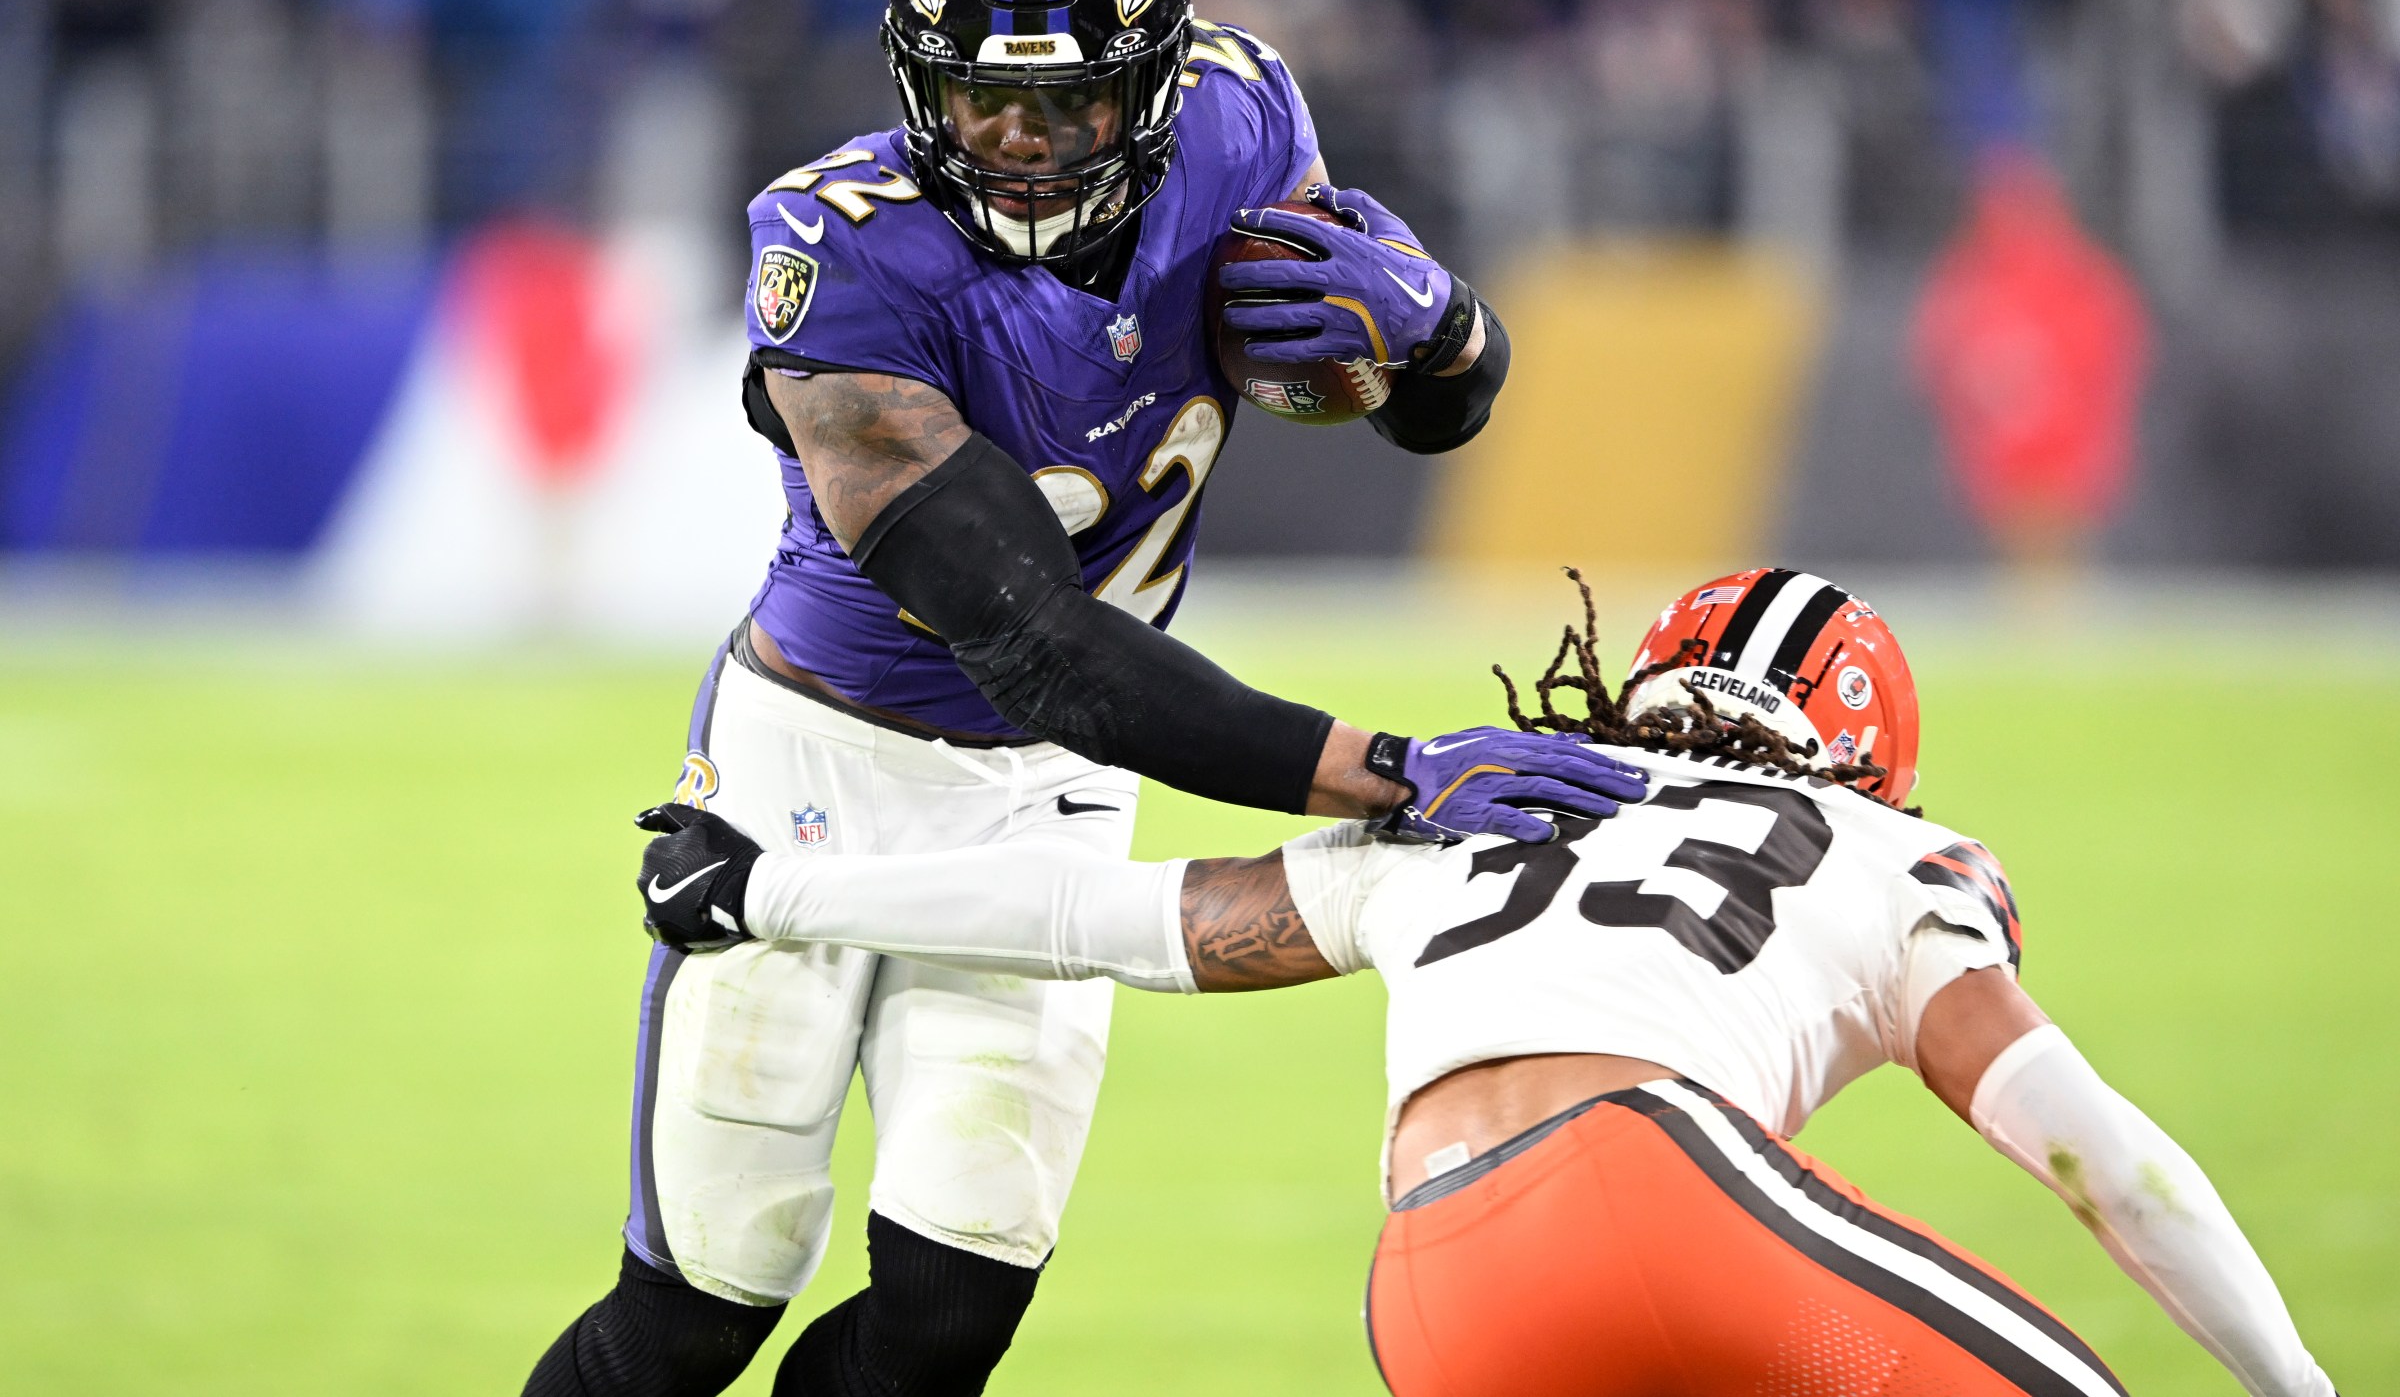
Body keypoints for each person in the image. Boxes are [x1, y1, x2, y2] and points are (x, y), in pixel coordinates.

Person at [525, 0, 1652, 1397]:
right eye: (986, 99)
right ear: (922, 82)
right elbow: (1038, 643)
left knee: (944, 1327)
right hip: (820, 766)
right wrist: (1389, 772)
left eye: (1072, 102)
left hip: (1054, 790)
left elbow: (1423, 410)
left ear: (1159, 82)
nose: (1025, 144)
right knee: (701, 1309)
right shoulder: (837, 253)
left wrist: (1450, 332)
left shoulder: (1245, 127)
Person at [636, 567, 2342, 1397]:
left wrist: (774, 885)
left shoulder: (1466, 816)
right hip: (1661, 1198)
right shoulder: (1885, 856)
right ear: (1867, 761)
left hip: (1432, 1298)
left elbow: (1099, 914)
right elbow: (2106, 1164)